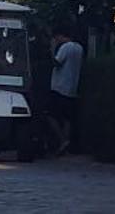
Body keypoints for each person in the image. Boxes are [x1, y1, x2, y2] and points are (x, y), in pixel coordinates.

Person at [47, 25, 84, 155]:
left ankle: (62, 139)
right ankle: (66, 141)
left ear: (60, 36)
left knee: (51, 115)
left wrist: (51, 49)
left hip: (59, 87)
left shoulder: (65, 47)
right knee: (67, 118)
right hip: (72, 87)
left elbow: (56, 63)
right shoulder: (79, 48)